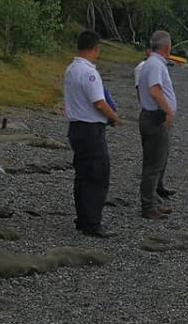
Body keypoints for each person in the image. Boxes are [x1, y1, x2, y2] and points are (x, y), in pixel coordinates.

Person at [63, 30, 121, 238]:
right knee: (97, 175)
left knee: (83, 175)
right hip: (90, 129)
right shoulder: (89, 73)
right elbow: (99, 102)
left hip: (77, 127)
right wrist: (114, 117)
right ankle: (92, 223)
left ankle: (83, 218)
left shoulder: (71, 69)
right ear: (96, 48)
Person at [137, 30, 177, 220]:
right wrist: (168, 111)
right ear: (167, 48)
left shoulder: (152, 63)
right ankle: (148, 207)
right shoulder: (155, 65)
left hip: (151, 116)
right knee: (154, 165)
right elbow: (155, 90)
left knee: (156, 162)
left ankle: (152, 201)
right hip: (154, 117)